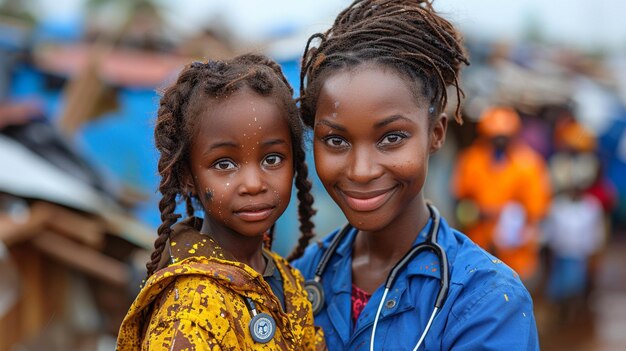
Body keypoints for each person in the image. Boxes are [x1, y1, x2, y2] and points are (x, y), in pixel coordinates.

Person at [293, 0, 539, 350]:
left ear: (436, 134)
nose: (362, 171)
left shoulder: (486, 302)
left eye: (392, 138)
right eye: (336, 140)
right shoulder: (301, 277)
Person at [116, 54, 326, 350]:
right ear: (188, 176)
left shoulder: (286, 278)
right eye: (224, 164)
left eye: (272, 159)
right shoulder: (189, 314)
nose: (253, 184)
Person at [452, 106, 552, 285]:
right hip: (478, 247)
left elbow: (538, 209)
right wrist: (478, 213)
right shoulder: (471, 161)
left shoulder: (529, 164)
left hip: (516, 253)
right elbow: (460, 204)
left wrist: (512, 216)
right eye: (494, 138)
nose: (499, 143)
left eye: (504, 138)